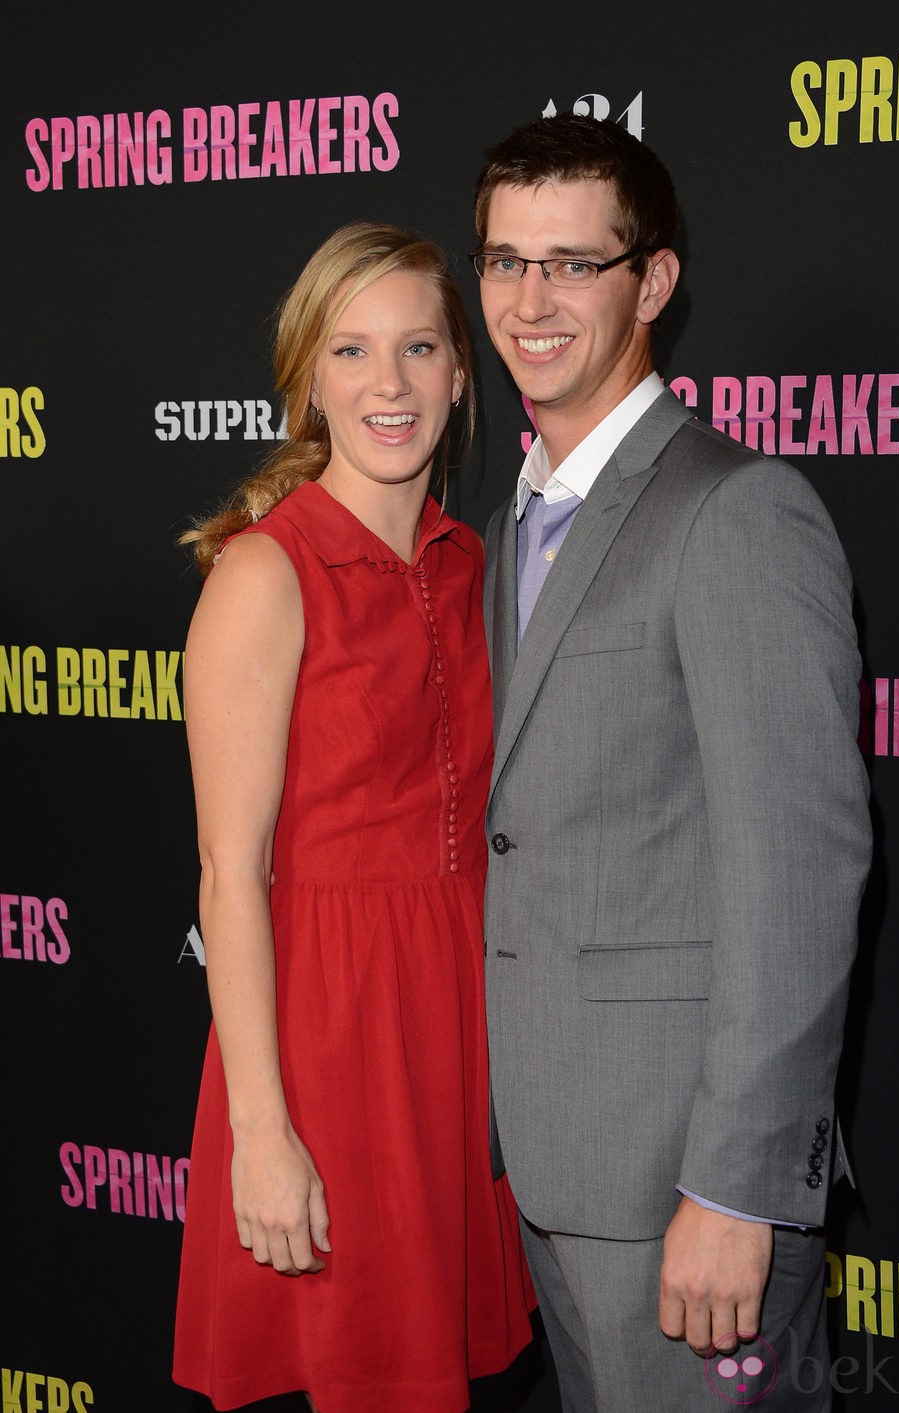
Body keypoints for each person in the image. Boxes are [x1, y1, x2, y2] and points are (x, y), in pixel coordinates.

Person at [471, 113, 871, 1412]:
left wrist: (737, 1184)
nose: (532, 301)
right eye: (504, 261)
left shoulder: (735, 510)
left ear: (651, 282)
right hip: (551, 1167)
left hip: (682, 1190)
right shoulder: (509, 523)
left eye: (573, 263)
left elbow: (798, 877)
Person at [172, 223, 533, 1413]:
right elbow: (229, 879)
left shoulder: (477, 566)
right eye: (352, 352)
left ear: (460, 372)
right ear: (309, 382)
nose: (389, 384)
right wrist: (260, 1135)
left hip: (460, 1031)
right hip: (325, 1043)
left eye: (419, 347)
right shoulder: (263, 576)